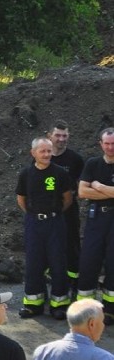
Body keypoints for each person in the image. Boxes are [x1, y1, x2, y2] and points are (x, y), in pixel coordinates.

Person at [16, 136, 72, 320]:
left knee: (58, 262)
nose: (47, 154)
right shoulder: (26, 174)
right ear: (33, 153)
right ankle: (33, 304)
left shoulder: (60, 173)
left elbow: (67, 199)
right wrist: (34, 215)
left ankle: (59, 304)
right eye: (43, 151)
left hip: (55, 223)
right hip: (34, 223)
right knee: (34, 263)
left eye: (49, 151)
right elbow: (21, 199)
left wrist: (52, 214)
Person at [77, 127, 114, 321]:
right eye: (107, 143)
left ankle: (110, 309)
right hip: (96, 218)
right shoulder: (92, 164)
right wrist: (110, 191)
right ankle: (86, 308)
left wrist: (98, 186)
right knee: (89, 261)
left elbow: (91, 189)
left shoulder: (97, 177)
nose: (110, 147)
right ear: (101, 144)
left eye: (113, 144)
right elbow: (82, 192)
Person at [46, 120, 83, 294]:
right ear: (49, 136)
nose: (61, 139)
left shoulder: (75, 159)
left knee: (71, 246)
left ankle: (74, 283)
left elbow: (80, 187)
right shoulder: (42, 156)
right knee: (46, 246)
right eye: (58, 135)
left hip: (68, 211)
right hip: (45, 211)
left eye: (65, 135)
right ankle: (50, 280)